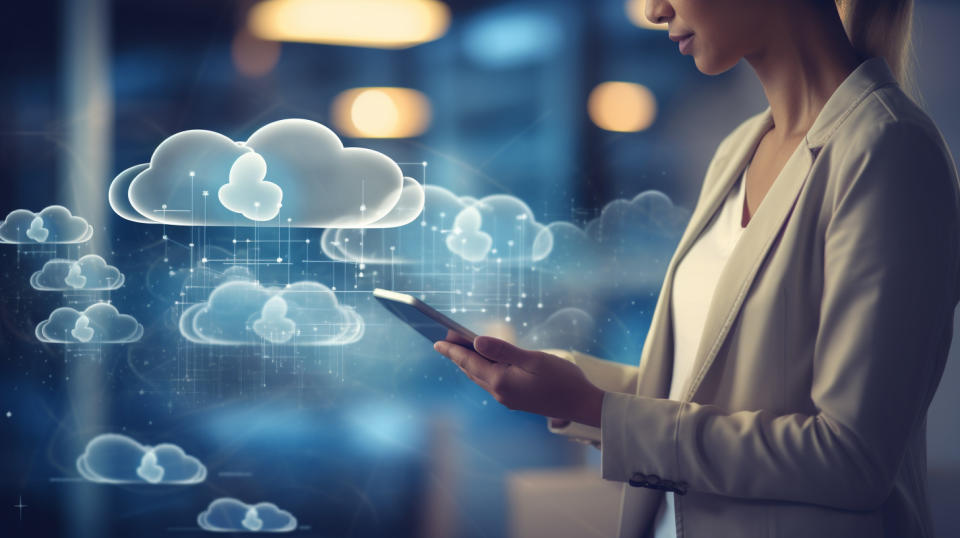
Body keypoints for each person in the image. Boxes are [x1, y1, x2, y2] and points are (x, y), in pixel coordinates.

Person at [434, 0, 960, 536]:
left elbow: (851, 460)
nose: (653, 9)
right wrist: (572, 385)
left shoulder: (888, 150)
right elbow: (712, 395)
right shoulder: (739, 149)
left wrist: (598, 408)